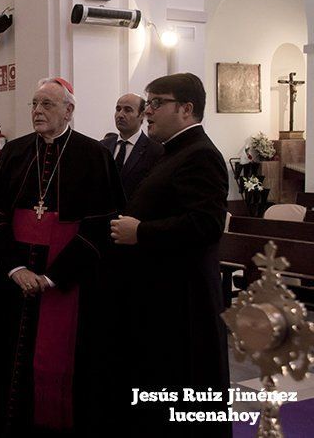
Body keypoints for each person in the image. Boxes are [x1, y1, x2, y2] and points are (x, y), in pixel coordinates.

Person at [0, 77, 124, 437]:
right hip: (16, 275)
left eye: (47, 104)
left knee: (68, 360)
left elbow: (100, 225)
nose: (38, 111)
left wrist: (52, 275)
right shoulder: (14, 152)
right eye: (34, 104)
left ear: (69, 111)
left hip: (69, 278)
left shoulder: (95, 155)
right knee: (13, 358)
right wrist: (15, 268)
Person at [110, 73, 230, 438]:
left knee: (184, 394)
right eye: (148, 102)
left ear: (187, 109)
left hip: (185, 302)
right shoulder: (173, 152)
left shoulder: (202, 155)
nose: (148, 111)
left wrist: (140, 232)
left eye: (157, 102)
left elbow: (206, 225)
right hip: (163, 297)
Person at [100, 93, 163, 200]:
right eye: (118, 109)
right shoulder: (103, 146)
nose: (120, 115)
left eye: (128, 110)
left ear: (142, 115)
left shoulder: (155, 150)